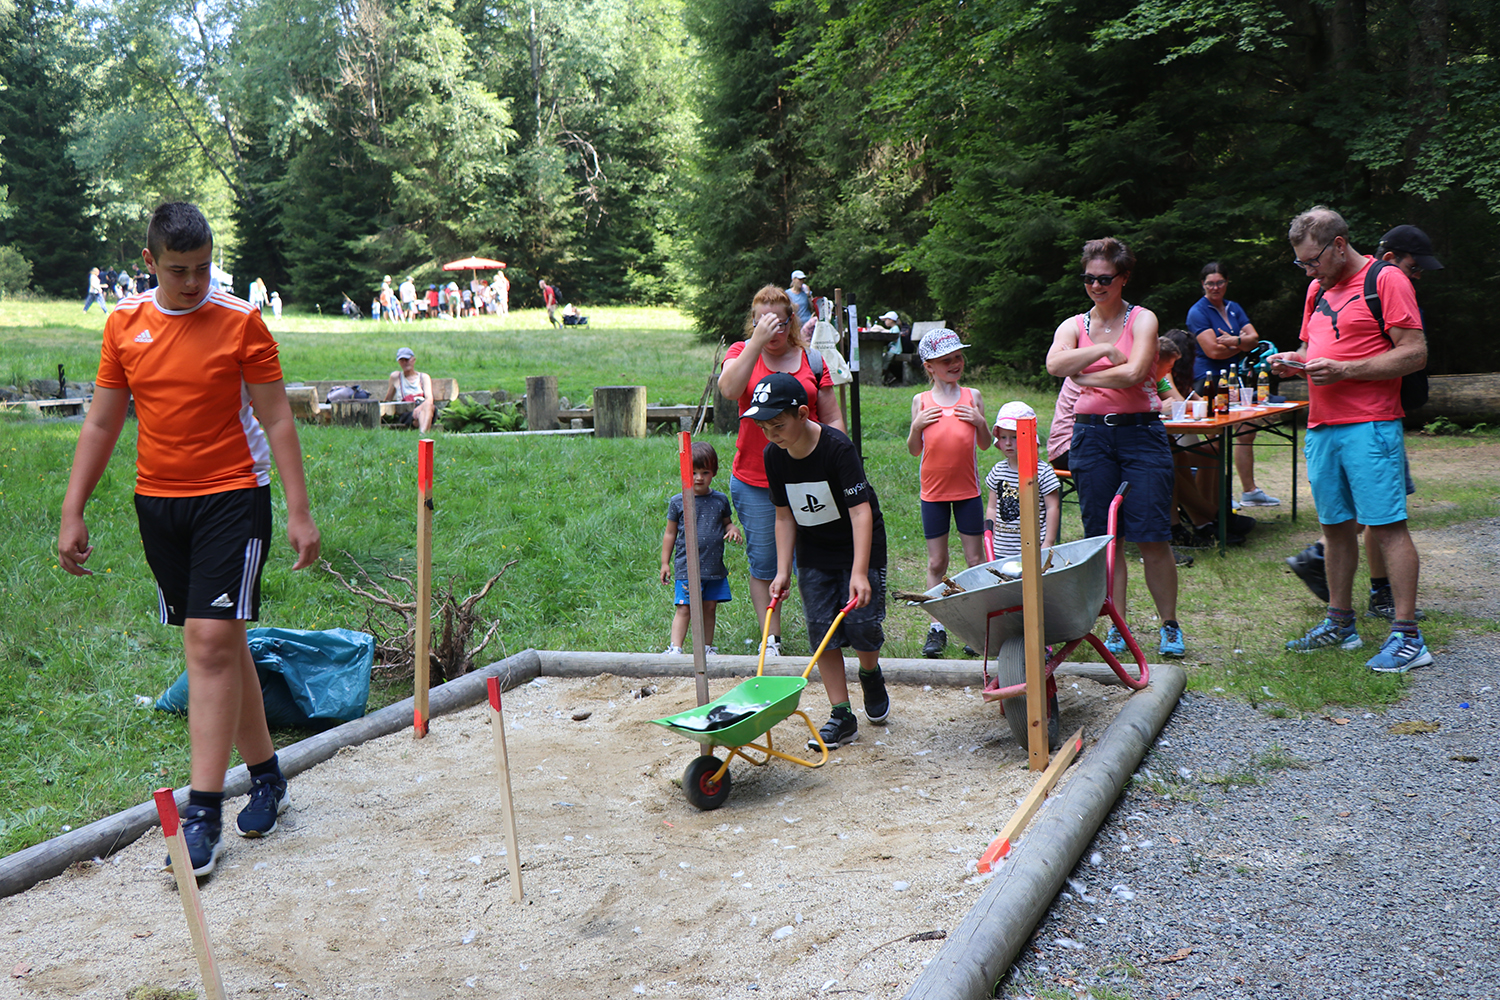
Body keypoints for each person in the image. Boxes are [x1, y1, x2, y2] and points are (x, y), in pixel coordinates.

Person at [57, 202, 320, 877]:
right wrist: (73, 509)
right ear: (148, 263)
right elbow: (102, 424)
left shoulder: (241, 321)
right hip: (159, 506)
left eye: (203, 269)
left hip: (234, 496)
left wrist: (298, 510)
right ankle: (267, 776)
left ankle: (201, 816)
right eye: (178, 271)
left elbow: (277, 419)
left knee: (205, 643)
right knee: (221, 642)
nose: (192, 282)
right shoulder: (123, 326)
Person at [1273, 207, 1431, 672]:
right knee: (1335, 528)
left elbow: (1415, 353)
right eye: (1301, 263)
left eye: (1312, 261)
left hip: (1371, 423)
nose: (1308, 270)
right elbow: (1311, 348)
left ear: (1339, 244)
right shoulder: (1316, 289)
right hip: (1323, 426)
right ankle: (1340, 622)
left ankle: (1408, 637)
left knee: (1386, 526)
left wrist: (1346, 370)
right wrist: (1294, 360)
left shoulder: (1386, 280)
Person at [1045, 237, 1184, 659]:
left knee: (1153, 537)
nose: (1096, 286)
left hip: (1141, 432)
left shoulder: (1143, 320)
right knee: (1106, 539)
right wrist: (1105, 350)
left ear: (1123, 278)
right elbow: (1054, 365)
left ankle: (1170, 625)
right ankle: (1118, 627)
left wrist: (1084, 375)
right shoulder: (1073, 325)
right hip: (1090, 436)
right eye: (1089, 278)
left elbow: (1137, 372)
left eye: (1105, 279)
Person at [745, 372, 889, 748]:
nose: (771, 433)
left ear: (804, 413)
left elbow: (860, 513)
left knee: (862, 626)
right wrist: (781, 571)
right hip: (814, 549)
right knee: (823, 631)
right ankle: (841, 714)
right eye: (763, 426)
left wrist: (860, 572)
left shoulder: (837, 449)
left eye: (778, 424)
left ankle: (870, 674)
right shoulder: (773, 456)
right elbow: (783, 515)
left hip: (859, 543)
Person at [718, 284, 844, 658]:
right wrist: (756, 341)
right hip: (756, 478)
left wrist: (839, 458)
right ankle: (770, 639)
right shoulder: (742, 352)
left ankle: (822, 628)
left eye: (777, 321)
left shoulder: (811, 360)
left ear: (791, 321)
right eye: (761, 321)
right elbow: (727, 390)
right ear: (753, 322)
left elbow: (832, 417)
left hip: (812, 477)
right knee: (766, 561)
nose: (770, 329)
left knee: (815, 555)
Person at [905, 328, 993, 657]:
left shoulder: (973, 395)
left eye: (958, 357)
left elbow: (985, 445)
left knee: (974, 560)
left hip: (967, 491)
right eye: (947, 360)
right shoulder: (921, 401)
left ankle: (979, 626)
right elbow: (914, 450)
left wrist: (980, 421)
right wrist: (916, 427)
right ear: (929, 366)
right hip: (933, 493)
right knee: (937, 561)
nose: (956, 364)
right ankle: (937, 627)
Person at [1187, 262, 1279, 507]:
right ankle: (1220, 496)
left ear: (1227, 283)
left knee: (1247, 432)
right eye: (1209, 283)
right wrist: (1241, 343)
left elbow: (1255, 339)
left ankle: (1249, 492)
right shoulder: (1198, 311)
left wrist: (1233, 340)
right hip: (1208, 381)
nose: (1214, 287)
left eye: (1219, 282)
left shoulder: (1234, 308)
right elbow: (1213, 351)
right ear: (1202, 285)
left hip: (1233, 377)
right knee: (1214, 442)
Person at [659, 442, 741, 655]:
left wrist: (733, 528)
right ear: (683, 472)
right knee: (684, 608)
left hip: (714, 568)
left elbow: (727, 522)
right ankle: (675, 648)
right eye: (693, 472)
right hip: (687, 567)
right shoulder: (678, 502)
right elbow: (670, 533)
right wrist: (665, 563)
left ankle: (706, 648)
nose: (698, 478)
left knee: (709, 608)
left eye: (705, 472)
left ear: (714, 472)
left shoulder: (720, 500)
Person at [985, 401, 1062, 562]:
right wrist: (989, 537)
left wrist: (1048, 541)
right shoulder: (998, 470)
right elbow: (992, 506)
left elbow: (1052, 507)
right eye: (1003, 437)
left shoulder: (1042, 472)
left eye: (1014, 437)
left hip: (1032, 548)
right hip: (1001, 548)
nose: (1007, 443)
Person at [385, 347, 435, 432]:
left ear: (413, 360)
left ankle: (422, 434)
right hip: (406, 411)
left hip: (423, 407)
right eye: (402, 360)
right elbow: (388, 400)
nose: (405, 363)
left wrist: (419, 408)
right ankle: (424, 435)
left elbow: (429, 399)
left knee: (428, 406)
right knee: (423, 412)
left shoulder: (424, 377)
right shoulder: (396, 377)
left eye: (407, 360)